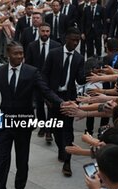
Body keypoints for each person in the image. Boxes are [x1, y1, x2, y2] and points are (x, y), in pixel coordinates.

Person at [0, 41, 65, 189]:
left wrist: (62, 103)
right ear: (8, 54)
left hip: (23, 121)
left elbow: (45, 91)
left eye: (21, 53)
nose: (19, 56)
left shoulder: (32, 72)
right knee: (2, 159)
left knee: (21, 159)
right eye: (16, 53)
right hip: (3, 120)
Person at [42, 27, 85, 177]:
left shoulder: (79, 58)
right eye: (72, 40)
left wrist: (90, 71)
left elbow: (80, 79)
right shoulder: (54, 54)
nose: (75, 43)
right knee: (55, 128)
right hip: (53, 96)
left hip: (69, 97)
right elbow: (44, 75)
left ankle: (67, 161)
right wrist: (47, 97)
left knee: (68, 130)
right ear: (66, 38)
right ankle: (61, 149)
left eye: (77, 41)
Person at [25, 22, 61, 141]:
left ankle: (49, 131)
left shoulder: (56, 45)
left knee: (51, 106)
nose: (45, 33)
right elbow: (28, 64)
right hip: (37, 80)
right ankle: (42, 126)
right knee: (39, 105)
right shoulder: (32, 46)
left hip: (51, 81)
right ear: (39, 31)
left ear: (50, 32)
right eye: (43, 31)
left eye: (47, 31)